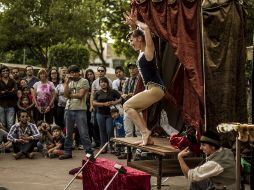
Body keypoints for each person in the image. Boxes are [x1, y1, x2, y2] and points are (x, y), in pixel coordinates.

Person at [123, 12, 165, 146]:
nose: (130, 43)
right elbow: (137, 35)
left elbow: (146, 29)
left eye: (131, 40)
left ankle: (145, 133)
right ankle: (148, 137)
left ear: (139, 39)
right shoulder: (141, 53)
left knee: (127, 106)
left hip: (156, 89)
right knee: (134, 110)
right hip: (153, 89)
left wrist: (136, 23)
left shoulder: (148, 51)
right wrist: (133, 27)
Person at [59, 65, 92, 160]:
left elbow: (81, 95)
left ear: (79, 72)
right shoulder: (69, 82)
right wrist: (66, 83)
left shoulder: (84, 81)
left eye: (74, 72)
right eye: (71, 73)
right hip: (68, 109)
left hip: (80, 110)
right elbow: (66, 95)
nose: (72, 74)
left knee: (83, 133)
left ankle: (89, 153)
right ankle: (67, 152)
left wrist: (70, 95)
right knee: (68, 133)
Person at [93, 77, 122, 153]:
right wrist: (103, 104)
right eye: (101, 82)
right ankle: (103, 147)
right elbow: (94, 102)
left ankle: (112, 146)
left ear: (107, 83)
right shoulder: (98, 93)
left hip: (110, 114)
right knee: (102, 130)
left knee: (110, 130)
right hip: (100, 113)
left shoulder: (113, 91)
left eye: (104, 82)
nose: (103, 83)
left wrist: (114, 102)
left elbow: (120, 98)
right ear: (99, 84)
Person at [0, 65, 18, 131]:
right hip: (1, 105)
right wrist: (10, 91)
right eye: (3, 71)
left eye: (6, 71)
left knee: (10, 124)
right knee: (3, 124)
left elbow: (15, 92)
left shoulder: (13, 81)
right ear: (1, 72)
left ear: (9, 72)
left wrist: (3, 92)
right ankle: (5, 140)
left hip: (11, 105)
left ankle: (10, 139)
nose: (5, 72)